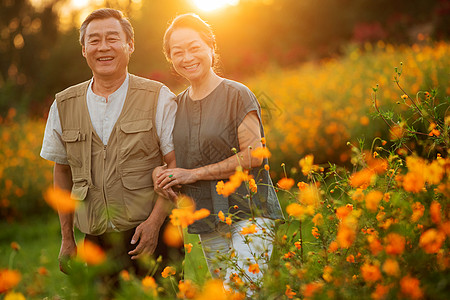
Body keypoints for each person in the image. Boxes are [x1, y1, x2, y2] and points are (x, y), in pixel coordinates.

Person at [40, 8, 181, 285]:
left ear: (130, 45)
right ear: (83, 49)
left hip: (154, 234)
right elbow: (62, 172)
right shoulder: (63, 104)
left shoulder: (159, 97)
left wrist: (153, 225)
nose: (103, 47)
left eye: (112, 38)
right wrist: (67, 238)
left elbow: (174, 164)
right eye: (93, 40)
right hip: (95, 241)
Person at [156, 13, 284, 294]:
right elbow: (165, 158)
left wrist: (194, 174)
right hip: (208, 219)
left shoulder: (237, 94)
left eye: (194, 47)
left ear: (211, 47)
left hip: (249, 213)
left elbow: (254, 155)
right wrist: (160, 174)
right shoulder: (174, 107)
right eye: (178, 52)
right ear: (171, 60)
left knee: (237, 292)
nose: (187, 57)